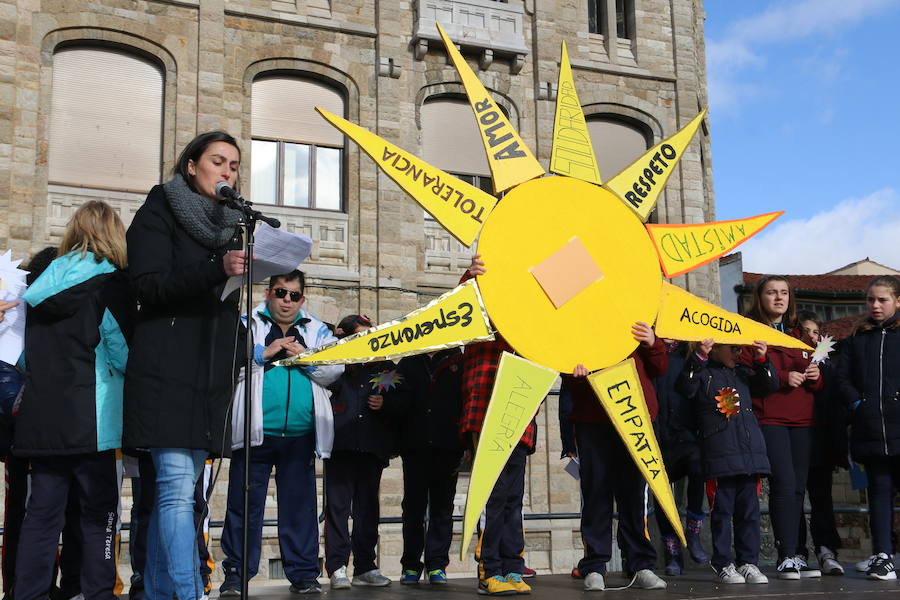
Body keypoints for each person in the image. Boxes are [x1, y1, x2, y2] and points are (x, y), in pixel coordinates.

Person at [124, 131, 248, 598]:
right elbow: (149, 287)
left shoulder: (235, 223)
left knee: (175, 496)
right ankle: (189, 591)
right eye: (218, 161)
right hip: (165, 373)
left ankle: (161, 592)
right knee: (177, 491)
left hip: (206, 373)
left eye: (234, 166)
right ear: (191, 165)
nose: (227, 172)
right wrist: (218, 268)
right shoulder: (159, 211)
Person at [12, 201, 134, 600]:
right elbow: (121, 351)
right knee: (100, 516)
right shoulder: (110, 284)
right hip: (92, 419)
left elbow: (27, 357)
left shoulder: (40, 285)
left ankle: (28, 594)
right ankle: (97, 593)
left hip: (43, 418)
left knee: (41, 516)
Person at [219, 270, 342, 594]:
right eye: (280, 292)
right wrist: (265, 352)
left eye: (294, 295)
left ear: (303, 298)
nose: (287, 300)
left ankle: (303, 575)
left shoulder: (317, 329)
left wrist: (305, 358)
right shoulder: (247, 324)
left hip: (300, 435)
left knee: (300, 509)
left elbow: (335, 371)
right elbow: (227, 365)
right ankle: (236, 575)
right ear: (268, 293)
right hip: (254, 433)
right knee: (243, 506)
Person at [566, 323, 669, 592]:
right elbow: (567, 373)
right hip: (593, 417)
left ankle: (641, 564)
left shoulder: (633, 314)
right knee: (596, 493)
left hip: (636, 417)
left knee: (635, 493)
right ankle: (595, 565)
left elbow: (660, 368)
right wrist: (575, 374)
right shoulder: (577, 320)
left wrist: (652, 341)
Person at [459, 256, 534, 596]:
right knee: (493, 492)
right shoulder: (479, 291)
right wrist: (469, 277)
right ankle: (490, 568)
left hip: (521, 404)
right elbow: (457, 314)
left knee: (514, 495)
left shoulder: (531, 303)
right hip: (486, 402)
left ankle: (512, 566)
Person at [741, 275, 822, 579]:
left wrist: (816, 375)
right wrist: (783, 376)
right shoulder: (751, 333)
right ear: (759, 298)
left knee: (799, 489)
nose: (779, 298)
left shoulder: (800, 335)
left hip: (804, 420)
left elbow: (820, 380)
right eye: (772, 292)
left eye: (784, 293)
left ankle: (799, 555)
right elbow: (750, 376)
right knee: (784, 484)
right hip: (771, 418)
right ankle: (785, 554)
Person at [677, 339, 776, 584]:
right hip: (718, 454)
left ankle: (748, 562)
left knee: (750, 513)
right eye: (732, 347)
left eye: (740, 348)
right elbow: (684, 387)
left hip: (749, 455)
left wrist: (763, 358)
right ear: (715, 348)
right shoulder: (703, 373)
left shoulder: (743, 373)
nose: (738, 352)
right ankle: (723, 562)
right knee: (722, 512)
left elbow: (770, 384)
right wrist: (699, 356)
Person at [324, 314, 399, 590]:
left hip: (372, 447)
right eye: (360, 335)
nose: (366, 340)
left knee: (368, 509)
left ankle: (365, 566)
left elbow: (401, 400)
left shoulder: (385, 366)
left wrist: (386, 403)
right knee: (337, 508)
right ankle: (337, 567)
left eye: (370, 335)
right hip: (341, 445)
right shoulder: (336, 364)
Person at [836, 275, 900, 581]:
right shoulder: (855, 340)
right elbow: (842, 379)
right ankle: (883, 555)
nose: (875, 305)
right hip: (871, 429)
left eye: (882, 299)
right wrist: (858, 405)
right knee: (879, 493)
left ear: (897, 301)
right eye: (871, 300)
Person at [395, 347, 465, 585]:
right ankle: (411, 566)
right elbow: (392, 391)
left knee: (442, 508)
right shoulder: (408, 362)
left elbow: (466, 400)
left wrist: (463, 441)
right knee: (413, 507)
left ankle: (437, 564)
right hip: (415, 445)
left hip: (448, 445)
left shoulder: (459, 360)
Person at [795, 311, 845, 576]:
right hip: (795, 439)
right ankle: (797, 552)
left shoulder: (829, 368)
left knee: (821, 499)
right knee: (793, 499)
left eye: (815, 332)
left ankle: (826, 549)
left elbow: (835, 408)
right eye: (805, 331)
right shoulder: (790, 362)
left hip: (820, 443)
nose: (810, 337)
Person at [651, 340, 707, 575]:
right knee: (662, 494)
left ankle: (693, 531)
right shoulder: (651, 353)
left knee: (697, 468)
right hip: (656, 436)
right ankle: (672, 550)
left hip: (684, 434)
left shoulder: (689, 354)